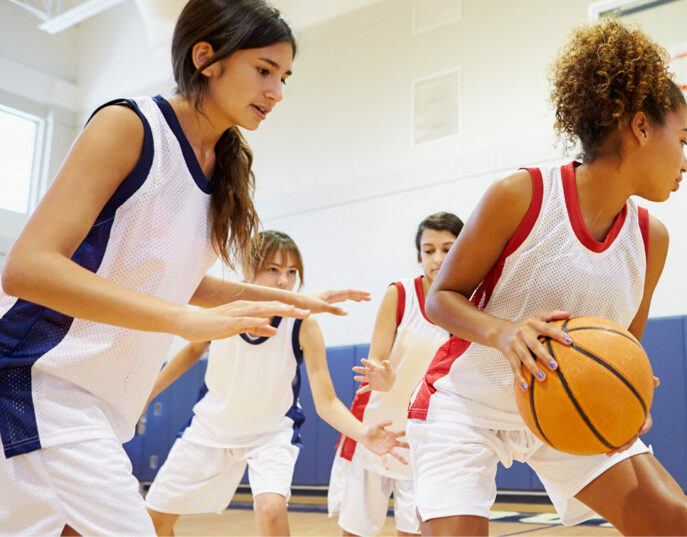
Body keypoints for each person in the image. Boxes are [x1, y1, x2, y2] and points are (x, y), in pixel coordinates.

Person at [0, 1, 365, 534]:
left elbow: (168, 279)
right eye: (264, 70)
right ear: (206, 58)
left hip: (98, 406)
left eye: (284, 77)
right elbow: (28, 268)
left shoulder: (224, 168)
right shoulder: (130, 126)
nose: (277, 92)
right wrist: (179, 321)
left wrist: (283, 301)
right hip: (42, 385)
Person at [406, 19, 687, 536]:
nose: (686, 162)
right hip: (468, 404)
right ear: (639, 127)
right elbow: (440, 300)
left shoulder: (650, 238)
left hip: (563, 405)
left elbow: (624, 342)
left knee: (680, 527)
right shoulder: (522, 195)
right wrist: (505, 332)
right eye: (681, 139)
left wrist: (626, 389)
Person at [143, 231, 407, 536]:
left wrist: (364, 435)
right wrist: (148, 394)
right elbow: (191, 349)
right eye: (273, 269)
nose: (284, 281)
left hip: (271, 434)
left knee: (271, 510)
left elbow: (327, 401)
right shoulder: (222, 307)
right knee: (154, 520)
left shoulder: (304, 324)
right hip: (210, 428)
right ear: (249, 269)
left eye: (292, 272)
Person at [328, 212, 464, 536]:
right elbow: (376, 360)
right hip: (378, 424)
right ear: (419, 256)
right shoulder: (400, 294)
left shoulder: (470, 303)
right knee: (356, 531)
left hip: (426, 436)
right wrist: (383, 378)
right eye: (429, 250)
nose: (437, 258)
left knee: (415, 531)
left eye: (447, 248)